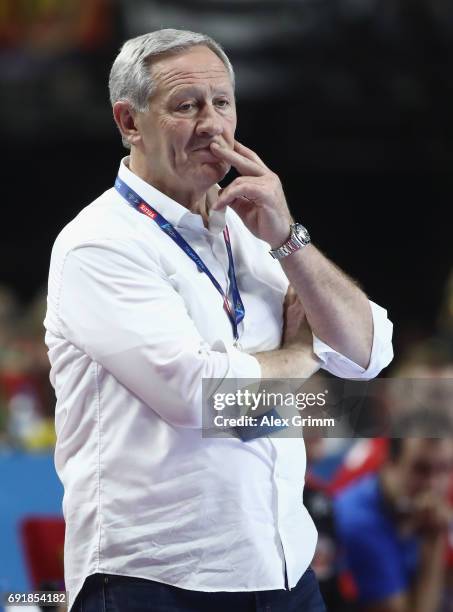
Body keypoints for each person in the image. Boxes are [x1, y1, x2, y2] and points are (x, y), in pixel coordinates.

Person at [44, 28, 393, 612]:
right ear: (129, 122)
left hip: (284, 570)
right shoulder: (98, 246)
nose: (212, 124)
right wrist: (303, 353)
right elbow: (205, 399)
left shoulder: (252, 228)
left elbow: (367, 351)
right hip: (155, 581)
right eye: (186, 106)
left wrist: (291, 241)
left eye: (222, 102)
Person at [334, 409, 453, 612]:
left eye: (444, 469)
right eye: (421, 469)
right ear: (390, 463)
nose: (433, 484)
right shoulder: (359, 521)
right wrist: (434, 538)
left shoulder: (418, 507)